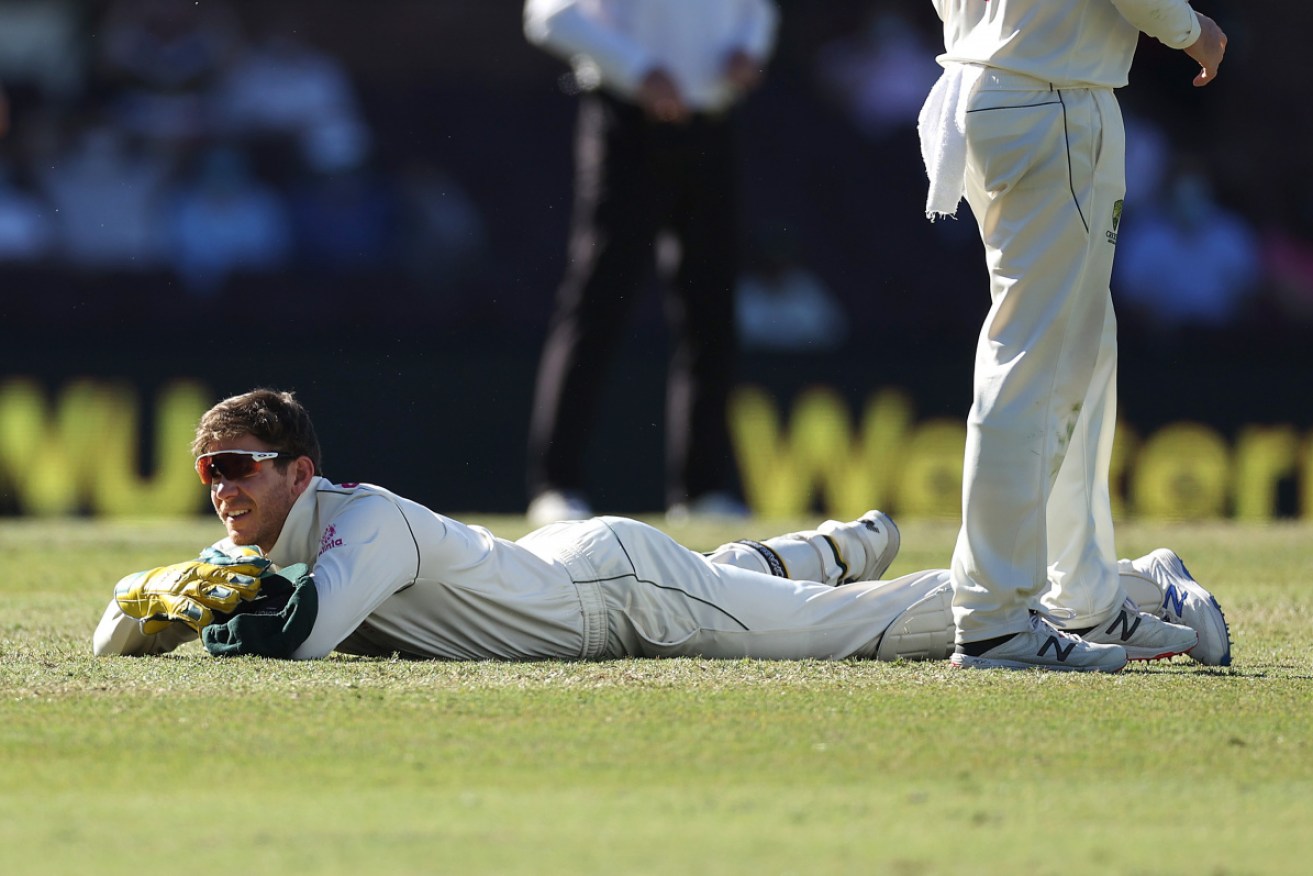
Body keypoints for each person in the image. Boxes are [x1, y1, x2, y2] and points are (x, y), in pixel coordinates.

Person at [93, 389, 1230, 668]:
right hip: (579, 576)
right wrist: (158, 604)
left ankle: (1129, 585)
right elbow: (112, 636)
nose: (219, 488)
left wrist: (215, 611)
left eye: (237, 468)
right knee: (763, 593)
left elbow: (304, 638)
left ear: (299, 469)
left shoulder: (364, 523)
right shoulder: (255, 547)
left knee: (846, 637)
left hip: (613, 594)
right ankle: (811, 550)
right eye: (207, 472)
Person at [915, 1, 1229, 670]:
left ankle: (1082, 594)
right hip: (1046, 97)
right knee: (1033, 356)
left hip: (993, 87)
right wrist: (1191, 30)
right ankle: (993, 618)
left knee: (1081, 352)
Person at [521, 0, 779, 526]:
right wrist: (639, 69)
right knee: (597, 307)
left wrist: (747, 52)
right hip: (627, 128)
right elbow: (548, 16)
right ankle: (557, 485)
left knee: (711, 315)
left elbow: (758, 13)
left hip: (712, 128)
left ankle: (702, 492)